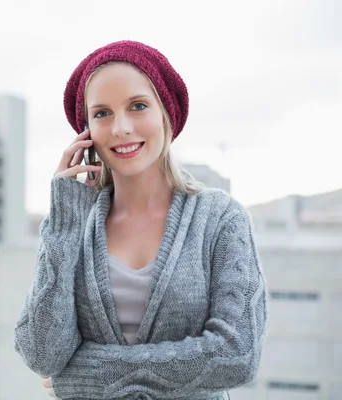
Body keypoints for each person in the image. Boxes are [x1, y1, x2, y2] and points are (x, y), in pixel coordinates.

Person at [14, 40, 268, 400]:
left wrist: (85, 374)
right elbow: (42, 354)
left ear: (167, 113)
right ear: (85, 132)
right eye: (101, 113)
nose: (120, 127)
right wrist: (65, 222)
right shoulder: (73, 226)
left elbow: (237, 355)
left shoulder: (221, 219)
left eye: (137, 106)